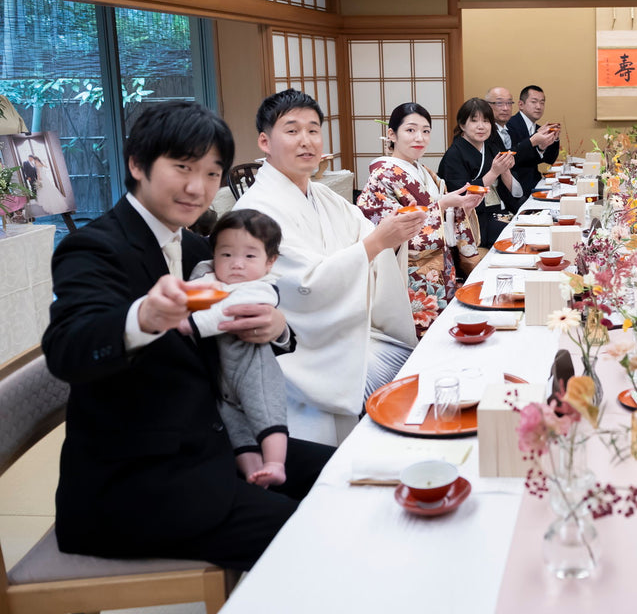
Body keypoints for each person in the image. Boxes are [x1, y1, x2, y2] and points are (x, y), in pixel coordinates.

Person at [41, 100, 333, 571]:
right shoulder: (94, 247)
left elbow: (255, 324)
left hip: (214, 444)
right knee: (314, 541)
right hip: (136, 483)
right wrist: (144, 316)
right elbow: (67, 349)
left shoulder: (198, 246)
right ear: (137, 164)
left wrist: (278, 328)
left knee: (346, 475)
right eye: (182, 167)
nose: (198, 188)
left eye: (212, 173)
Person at [234, 90, 426, 445]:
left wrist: (391, 237)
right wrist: (376, 244)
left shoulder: (322, 195)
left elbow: (367, 237)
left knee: (421, 369)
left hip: (346, 332)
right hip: (303, 354)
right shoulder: (254, 213)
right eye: (292, 131)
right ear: (265, 141)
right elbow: (303, 285)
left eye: (313, 130)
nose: (306, 141)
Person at [357, 102, 484, 336]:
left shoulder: (422, 170)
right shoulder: (381, 176)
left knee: (443, 333)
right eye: (411, 130)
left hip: (440, 269)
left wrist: (458, 208)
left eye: (426, 131)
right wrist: (443, 206)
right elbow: (388, 232)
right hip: (409, 273)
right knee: (418, 338)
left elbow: (439, 212)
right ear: (391, 134)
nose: (420, 138)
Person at [190, 209, 290, 488]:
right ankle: (254, 471)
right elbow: (193, 290)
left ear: (270, 262)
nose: (236, 264)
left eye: (249, 256)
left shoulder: (259, 288)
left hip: (251, 367)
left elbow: (225, 315)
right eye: (226, 255)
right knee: (234, 426)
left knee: (266, 410)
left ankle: (274, 462)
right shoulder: (208, 272)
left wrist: (190, 324)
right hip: (217, 375)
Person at [439, 97, 522, 246]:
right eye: (474, 121)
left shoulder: (491, 147)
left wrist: (505, 171)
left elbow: (515, 193)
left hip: (499, 212)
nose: (481, 126)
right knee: (517, 237)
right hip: (476, 220)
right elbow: (461, 196)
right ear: (462, 125)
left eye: (486, 121)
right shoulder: (454, 154)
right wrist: (494, 173)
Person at [506, 84, 561, 197]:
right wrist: (534, 140)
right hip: (517, 187)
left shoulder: (538, 128)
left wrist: (554, 139)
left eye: (542, 102)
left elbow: (549, 160)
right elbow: (513, 158)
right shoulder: (510, 125)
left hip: (535, 182)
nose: (539, 107)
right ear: (521, 105)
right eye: (534, 102)